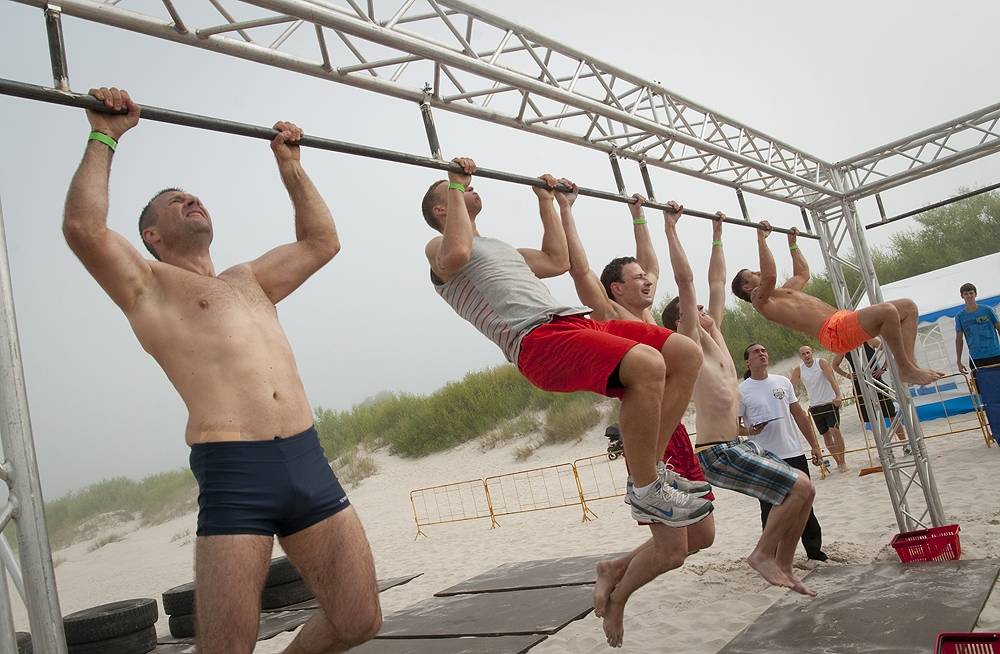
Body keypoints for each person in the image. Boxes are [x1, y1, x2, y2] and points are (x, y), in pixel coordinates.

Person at [63, 87, 381, 654]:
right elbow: (84, 230)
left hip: (308, 459)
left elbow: (321, 241)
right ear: (152, 237)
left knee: (358, 619)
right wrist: (104, 135)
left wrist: (291, 166)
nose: (191, 199)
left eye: (194, 195)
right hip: (237, 471)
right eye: (173, 199)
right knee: (226, 648)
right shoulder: (148, 288)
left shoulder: (249, 280)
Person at [421, 160, 711, 647]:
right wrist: (455, 181)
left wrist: (551, 204)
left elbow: (556, 260)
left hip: (570, 322)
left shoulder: (500, 249)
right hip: (534, 341)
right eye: (460, 189)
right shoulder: (442, 246)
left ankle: (651, 474)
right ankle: (646, 485)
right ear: (441, 208)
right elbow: (453, 254)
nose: (472, 188)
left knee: (684, 352)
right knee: (647, 366)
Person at [559, 191, 714, 645]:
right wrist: (566, 209)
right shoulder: (610, 315)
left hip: (678, 434)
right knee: (673, 552)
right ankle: (619, 599)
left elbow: (654, 264)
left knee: (701, 535)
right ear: (616, 290)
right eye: (636, 279)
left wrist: (642, 217)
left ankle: (612, 567)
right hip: (648, 440)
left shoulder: (655, 326)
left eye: (647, 278)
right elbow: (579, 270)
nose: (647, 282)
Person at [660, 209, 820, 597]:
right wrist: (670, 227)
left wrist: (717, 235)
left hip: (738, 444)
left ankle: (782, 561)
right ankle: (764, 555)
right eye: (695, 312)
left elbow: (717, 282)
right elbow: (688, 282)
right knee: (798, 489)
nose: (705, 312)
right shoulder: (690, 346)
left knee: (804, 490)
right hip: (716, 452)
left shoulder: (715, 340)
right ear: (684, 322)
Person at [731, 222, 942, 386]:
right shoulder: (760, 301)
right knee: (887, 311)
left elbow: (803, 273)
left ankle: (911, 365)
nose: (758, 273)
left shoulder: (784, 293)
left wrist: (793, 244)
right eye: (753, 275)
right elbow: (770, 276)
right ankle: (905, 369)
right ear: (748, 289)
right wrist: (761, 239)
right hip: (833, 332)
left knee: (907, 307)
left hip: (842, 321)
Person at [740, 343, 829, 567]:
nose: (762, 353)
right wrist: (751, 430)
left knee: (804, 503)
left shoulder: (783, 382)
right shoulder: (742, 390)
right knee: (769, 508)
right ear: (747, 362)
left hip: (794, 452)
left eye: (764, 350)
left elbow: (798, 414)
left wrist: (814, 446)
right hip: (763, 457)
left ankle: (814, 552)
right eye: (756, 352)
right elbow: (732, 426)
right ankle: (770, 556)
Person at [832, 338, 908, 447]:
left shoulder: (870, 340)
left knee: (891, 413)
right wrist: (848, 375)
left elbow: (888, 350)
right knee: (871, 419)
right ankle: (884, 445)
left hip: (876, 381)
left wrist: (883, 368)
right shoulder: (845, 345)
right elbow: (834, 364)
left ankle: (904, 443)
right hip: (860, 385)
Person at [791, 346, 848, 472]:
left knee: (835, 431)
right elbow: (791, 388)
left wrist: (838, 396)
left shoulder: (821, 362)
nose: (806, 355)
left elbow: (832, 380)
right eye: (803, 354)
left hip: (829, 402)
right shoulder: (798, 369)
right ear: (800, 356)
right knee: (825, 435)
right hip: (815, 406)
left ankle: (843, 461)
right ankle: (837, 461)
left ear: (812, 353)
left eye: (808, 353)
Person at [955, 283, 1000, 384]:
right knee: (984, 389)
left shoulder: (987, 310)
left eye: (971, 293)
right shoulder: (960, 316)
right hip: (977, 358)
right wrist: (958, 361)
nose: (969, 296)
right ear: (962, 296)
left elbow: (999, 328)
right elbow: (959, 339)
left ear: (975, 294)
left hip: (995, 354)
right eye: (966, 294)